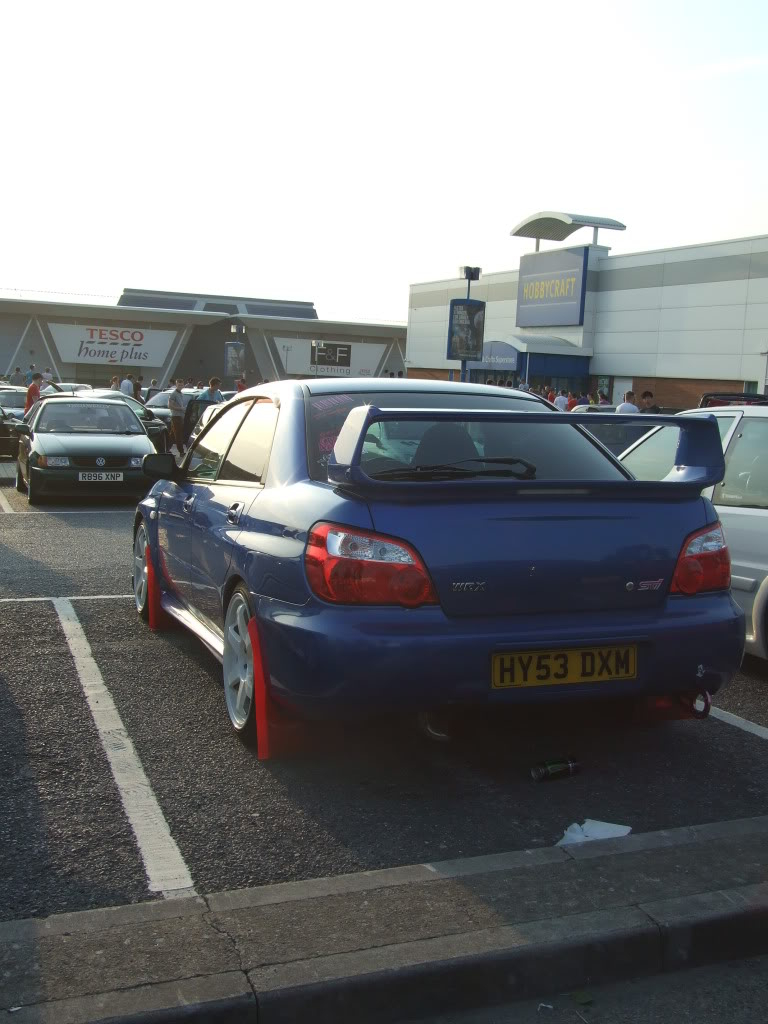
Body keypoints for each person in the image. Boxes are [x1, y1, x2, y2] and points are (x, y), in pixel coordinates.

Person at [168, 380, 186, 456]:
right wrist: (180, 409)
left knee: (172, 435)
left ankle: (165, 449)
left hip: (181, 416)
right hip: (176, 416)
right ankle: (181, 451)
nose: (180, 387)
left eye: (181, 385)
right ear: (176, 385)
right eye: (179, 385)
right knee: (178, 435)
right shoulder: (173, 394)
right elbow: (170, 406)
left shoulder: (181, 394)